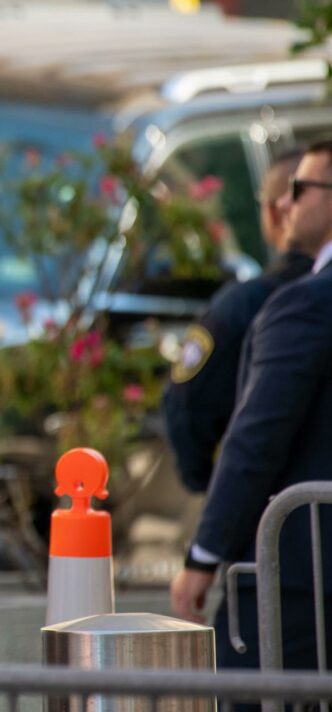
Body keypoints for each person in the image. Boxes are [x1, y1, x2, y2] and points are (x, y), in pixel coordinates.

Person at [171, 139, 332, 683]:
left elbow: (252, 435)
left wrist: (204, 551)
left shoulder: (300, 301)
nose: (287, 204)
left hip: (300, 575)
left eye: (300, 190)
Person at [162, 150, 312, 493]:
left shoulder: (246, 302)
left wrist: (213, 485)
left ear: (274, 211)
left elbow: (186, 405)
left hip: (267, 507)